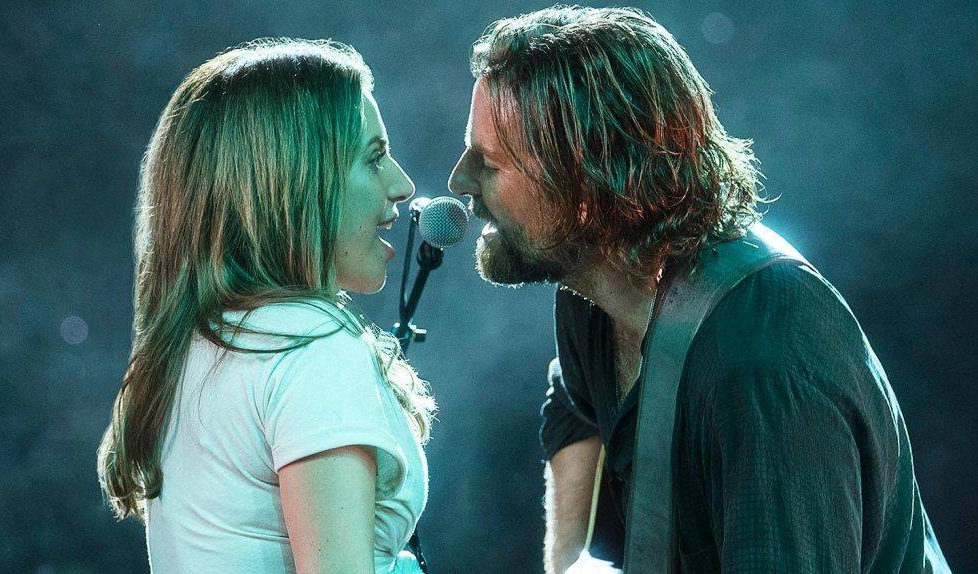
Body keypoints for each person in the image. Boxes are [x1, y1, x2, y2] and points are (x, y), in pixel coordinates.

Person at [448, 6, 950, 573]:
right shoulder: (590, 290)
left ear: (585, 188)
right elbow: (574, 403)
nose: (458, 181)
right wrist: (568, 560)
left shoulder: (760, 360)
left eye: (489, 163)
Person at [97, 38, 433, 574]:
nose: (402, 185)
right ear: (295, 183)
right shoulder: (310, 344)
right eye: (374, 158)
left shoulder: (198, 342)